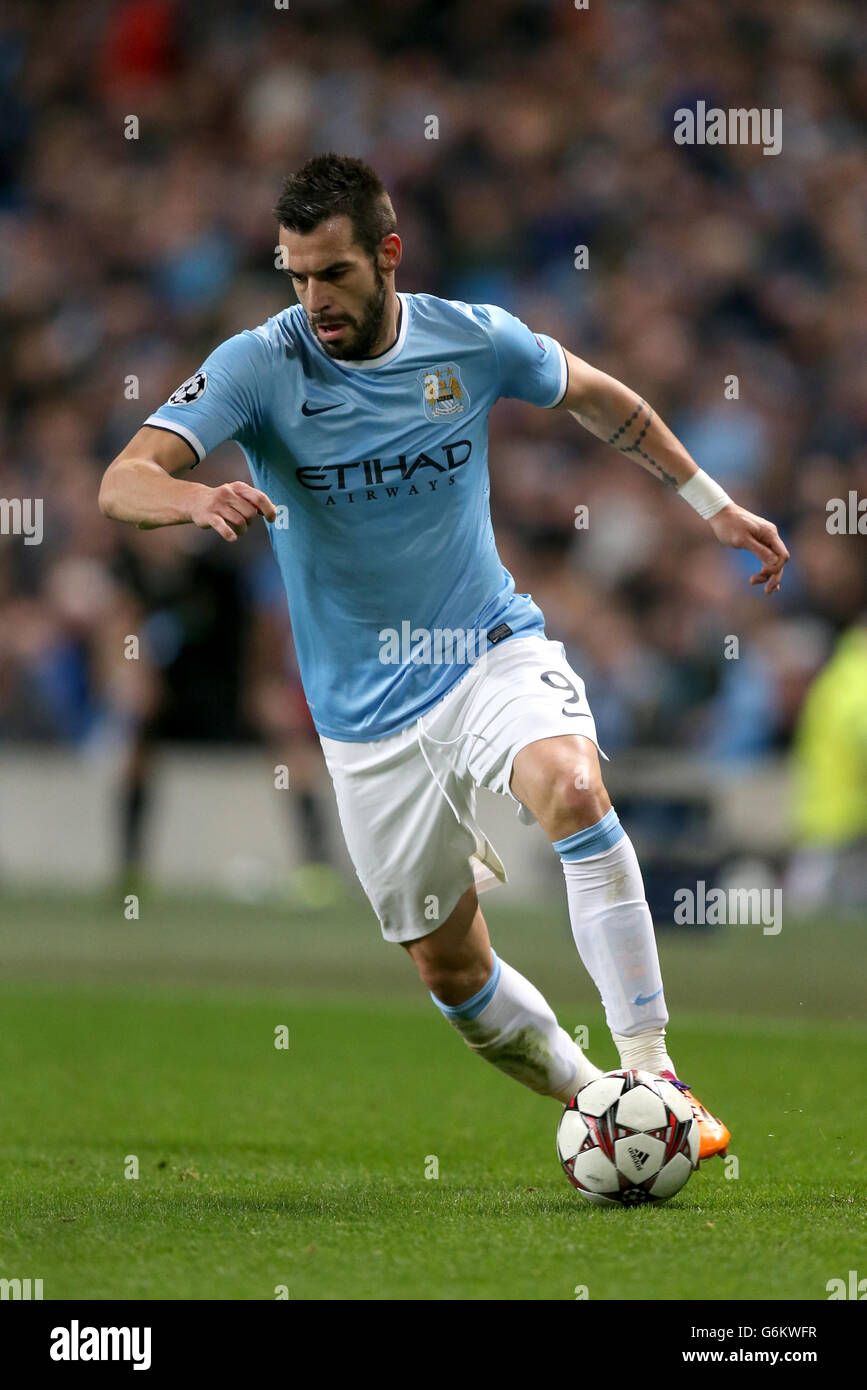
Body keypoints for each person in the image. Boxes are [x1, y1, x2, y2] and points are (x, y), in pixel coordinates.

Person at [99, 154, 790, 1162]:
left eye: (331, 273)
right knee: (450, 971)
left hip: (485, 651)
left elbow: (601, 399)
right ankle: (602, 1097)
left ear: (388, 255)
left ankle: (654, 1074)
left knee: (573, 789)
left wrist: (712, 504)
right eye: (293, 274)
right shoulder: (259, 364)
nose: (311, 300)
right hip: (364, 719)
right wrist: (195, 497)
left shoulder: (472, 339)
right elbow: (123, 479)